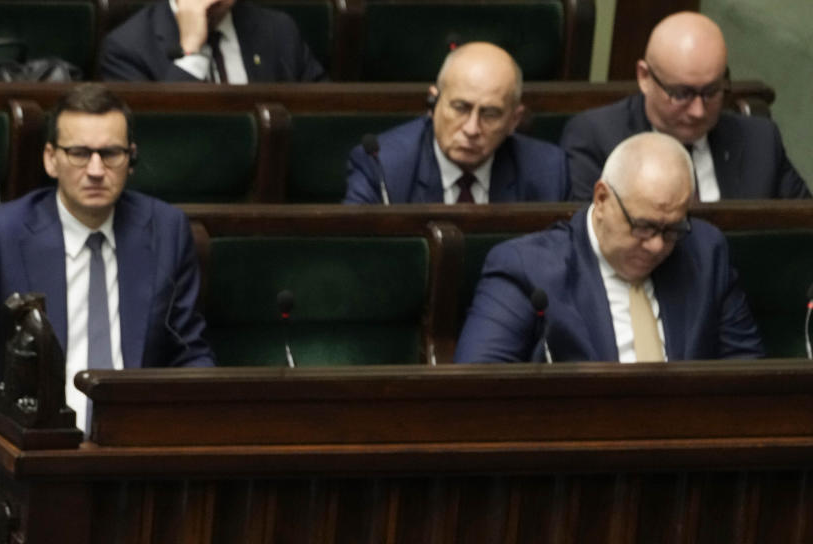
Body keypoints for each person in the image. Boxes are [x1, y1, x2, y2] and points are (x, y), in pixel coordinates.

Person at [0, 84, 213, 427]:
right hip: (29, 442)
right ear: (51, 159)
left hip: (136, 445)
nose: (95, 170)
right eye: (79, 152)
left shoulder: (166, 230)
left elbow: (189, 353)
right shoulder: (1, 234)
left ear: (131, 158)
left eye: (110, 153)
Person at [455, 131, 764, 363]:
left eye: (672, 230)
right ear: (602, 199)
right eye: (643, 226)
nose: (656, 246)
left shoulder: (706, 253)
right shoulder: (526, 268)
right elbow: (479, 385)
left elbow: (746, 373)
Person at [561, 11, 810, 202]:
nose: (698, 111)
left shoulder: (761, 141)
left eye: (711, 92)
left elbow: (800, 233)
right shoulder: (595, 138)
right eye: (682, 94)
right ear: (644, 77)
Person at [343, 42, 568, 205]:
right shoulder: (382, 166)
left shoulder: (547, 171)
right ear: (433, 105)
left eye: (490, 114)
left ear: (513, 120)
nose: (471, 129)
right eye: (460, 108)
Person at [99, 0, 324, 84]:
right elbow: (158, 141)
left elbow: (323, 115)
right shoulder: (126, 47)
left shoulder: (279, 30)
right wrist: (191, 53)